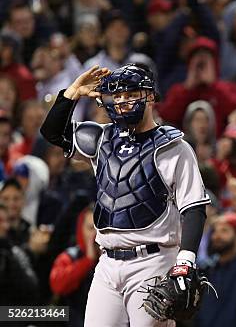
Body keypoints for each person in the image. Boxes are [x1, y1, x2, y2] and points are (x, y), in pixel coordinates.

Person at [39, 63, 211, 326]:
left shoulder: (174, 147)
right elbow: (51, 132)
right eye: (117, 96)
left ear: (150, 96)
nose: (123, 101)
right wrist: (72, 92)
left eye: (131, 94)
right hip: (107, 262)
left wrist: (185, 261)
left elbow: (194, 207)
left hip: (153, 261)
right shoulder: (102, 138)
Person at [49, 205, 98, 327]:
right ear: (81, 229)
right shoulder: (70, 256)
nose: (95, 235)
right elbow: (57, 285)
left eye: (99, 229)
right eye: (90, 228)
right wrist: (87, 261)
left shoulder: (115, 260)